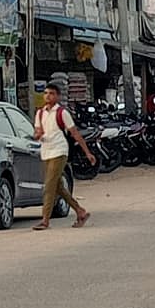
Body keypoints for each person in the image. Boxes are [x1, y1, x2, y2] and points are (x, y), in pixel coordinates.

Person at [32, 82, 96, 230]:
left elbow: (75, 134)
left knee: (49, 186)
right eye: (46, 93)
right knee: (57, 187)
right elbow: (36, 133)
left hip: (59, 151)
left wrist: (87, 153)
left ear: (57, 96)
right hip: (46, 152)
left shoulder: (62, 113)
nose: (48, 96)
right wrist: (37, 135)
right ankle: (80, 211)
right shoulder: (40, 113)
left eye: (51, 93)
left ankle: (45, 220)